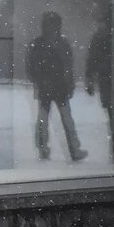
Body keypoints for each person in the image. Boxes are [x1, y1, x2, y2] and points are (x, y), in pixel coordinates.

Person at [27, 11, 87, 162]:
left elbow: (67, 66)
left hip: (55, 87)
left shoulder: (42, 43)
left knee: (50, 120)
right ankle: (69, 150)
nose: (52, 28)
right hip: (53, 87)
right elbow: (67, 66)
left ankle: (48, 149)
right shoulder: (55, 43)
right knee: (58, 120)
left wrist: (39, 80)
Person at [85, 11, 114, 161]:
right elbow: (92, 60)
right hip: (108, 81)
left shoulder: (100, 37)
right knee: (113, 116)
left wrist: (90, 78)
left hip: (108, 81)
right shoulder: (100, 38)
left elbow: (92, 60)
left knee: (113, 117)